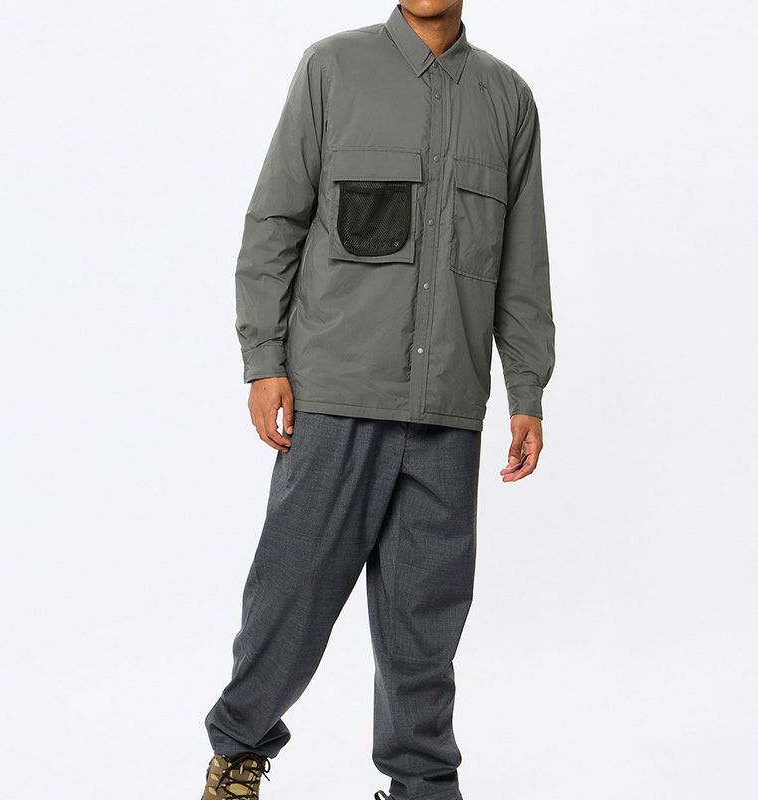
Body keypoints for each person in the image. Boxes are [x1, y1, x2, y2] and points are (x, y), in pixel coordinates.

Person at [201, 2, 555, 798]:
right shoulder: (332, 68)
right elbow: (275, 222)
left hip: (447, 410)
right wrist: (263, 360)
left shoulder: (507, 99)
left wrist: (526, 389)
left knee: (425, 629)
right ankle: (238, 755)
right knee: (291, 599)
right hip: (337, 396)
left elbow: (523, 263)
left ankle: (424, 787)